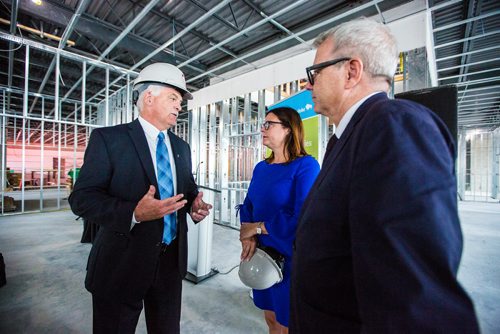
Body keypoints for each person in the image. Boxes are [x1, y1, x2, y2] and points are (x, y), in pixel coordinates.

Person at [289, 18, 480, 333]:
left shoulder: (395, 126)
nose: (309, 83)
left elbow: (414, 296)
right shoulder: (349, 136)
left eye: (316, 72)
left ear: (352, 71)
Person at [69, 62, 212, 334]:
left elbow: (188, 188)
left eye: (180, 101)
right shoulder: (109, 139)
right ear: (149, 98)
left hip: (170, 263)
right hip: (121, 264)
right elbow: (82, 199)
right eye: (173, 98)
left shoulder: (181, 147)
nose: (179, 106)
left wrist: (194, 203)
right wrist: (133, 213)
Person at [238, 107, 320, 334]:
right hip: (262, 255)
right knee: (271, 319)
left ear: (288, 129)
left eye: (268, 124)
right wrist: (248, 237)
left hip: (290, 257)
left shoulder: (306, 166)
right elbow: (248, 205)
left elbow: (303, 214)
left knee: (288, 323)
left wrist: (256, 228)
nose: (262, 129)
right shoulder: (261, 167)